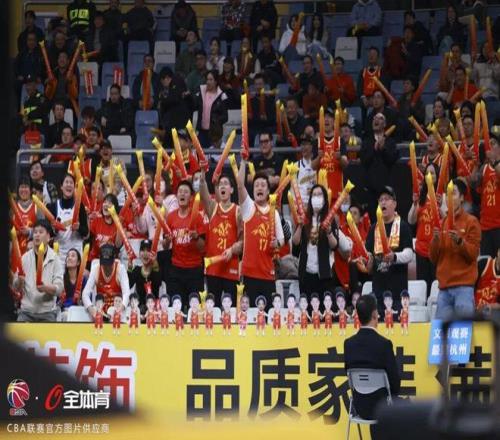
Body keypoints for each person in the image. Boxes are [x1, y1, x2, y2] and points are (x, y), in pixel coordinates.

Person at [344, 294, 400, 440]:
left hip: (360, 407)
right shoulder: (384, 344)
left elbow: (348, 375)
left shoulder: (348, 344)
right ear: (375, 314)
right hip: (382, 408)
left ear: (357, 315)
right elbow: (395, 385)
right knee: (405, 406)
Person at [430, 179, 481, 319]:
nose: (449, 197)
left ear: (462, 197)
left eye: (453, 193)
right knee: (442, 332)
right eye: (447, 194)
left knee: (463, 330)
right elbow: (433, 258)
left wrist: (460, 242)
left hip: (464, 288)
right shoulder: (441, 223)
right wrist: (435, 240)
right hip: (444, 290)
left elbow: (473, 254)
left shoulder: (471, 222)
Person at [237, 160, 284, 304]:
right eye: (256, 185)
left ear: (268, 191)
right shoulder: (249, 207)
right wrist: (243, 162)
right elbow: (240, 185)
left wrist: (277, 243)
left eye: (263, 185)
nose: (259, 188)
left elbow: (282, 239)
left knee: (269, 313)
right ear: (253, 190)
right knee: (249, 314)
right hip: (249, 273)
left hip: (268, 273)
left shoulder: (274, 212)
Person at [293, 184, 352, 296]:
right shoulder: (304, 218)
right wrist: (300, 226)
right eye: (314, 195)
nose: (316, 197)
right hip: (306, 273)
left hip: (324, 274)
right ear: (310, 199)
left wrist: (329, 232)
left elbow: (334, 246)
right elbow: (295, 243)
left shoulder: (329, 219)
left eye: (319, 195)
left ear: (325, 200)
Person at [365, 186, 413, 317]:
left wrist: (395, 256)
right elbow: (368, 253)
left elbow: (409, 254)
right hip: (378, 292)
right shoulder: (373, 228)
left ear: (395, 204)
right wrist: (367, 260)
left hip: (397, 293)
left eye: (386, 199)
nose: (383, 203)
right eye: (380, 200)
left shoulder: (403, 226)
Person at [199, 171, 242, 302]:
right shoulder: (213, 207)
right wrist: (202, 176)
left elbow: (243, 240)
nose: (222, 186)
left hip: (231, 267)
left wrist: (232, 250)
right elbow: (204, 195)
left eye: (226, 184)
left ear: (232, 190)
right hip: (213, 268)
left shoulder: (238, 211)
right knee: (213, 308)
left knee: (231, 309)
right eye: (220, 184)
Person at [13, 220, 64, 322]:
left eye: (41, 232)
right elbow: (16, 287)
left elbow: (59, 289)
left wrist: (45, 288)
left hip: (47, 312)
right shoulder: (24, 258)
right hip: (26, 312)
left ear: (48, 237)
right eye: (35, 232)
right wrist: (19, 280)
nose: (37, 235)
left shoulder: (55, 259)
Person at [164, 180, 208, 298]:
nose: (182, 194)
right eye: (180, 191)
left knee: (195, 306)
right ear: (176, 195)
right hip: (176, 269)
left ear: (191, 198)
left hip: (194, 269)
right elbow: (165, 246)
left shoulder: (197, 217)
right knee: (175, 304)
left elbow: (203, 247)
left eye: (186, 192)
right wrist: (167, 241)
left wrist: (196, 237)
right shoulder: (170, 217)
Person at [408, 163, 444, 296]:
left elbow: (449, 221)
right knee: (423, 285)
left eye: (432, 173)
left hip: (437, 248)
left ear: (437, 176)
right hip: (421, 249)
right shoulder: (420, 197)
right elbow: (411, 220)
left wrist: (440, 207)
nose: (429, 175)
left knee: (436, 285)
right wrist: (415, 204)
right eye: (427, 173)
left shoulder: (443, 196)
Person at [360, 113, 399, 217]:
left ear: (385, 124)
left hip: (386, 188)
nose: (376, 120)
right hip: (370, 189)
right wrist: (374, 149)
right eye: (374, 118)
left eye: (380, 118)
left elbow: (392, 160)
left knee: (386, 216)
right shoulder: (367, 141)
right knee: (372, 217)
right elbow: (364, 161)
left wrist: (383, 149)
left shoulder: (390, 142)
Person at [46, 173, 89, 265]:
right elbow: (49, 234)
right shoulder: (53, 207)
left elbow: (86, 232)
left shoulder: (80, 206)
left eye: (71, 183)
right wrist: (55, 230)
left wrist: (79, 228)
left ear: (74, 187)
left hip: (76, 251)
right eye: (66, 182)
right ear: (61, 187)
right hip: (60, 252)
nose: (69, 184)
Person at [470, 133, 500, 257]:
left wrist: (494, 161)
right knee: (487, 263)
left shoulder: (495, 165)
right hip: (485, 225)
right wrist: (476, 165)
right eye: (488, 144)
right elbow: (473, 183)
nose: (489, 147)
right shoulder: (484, 168)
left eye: (493, 143)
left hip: (499, 225)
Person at [82, 243, 130, 316]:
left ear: (114, 259)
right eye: (104, 264)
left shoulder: (120, 269)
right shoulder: (96, 269)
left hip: (117, 310)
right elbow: (85, 293)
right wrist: (91, 309)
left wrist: (121, 309)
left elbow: (126, 292)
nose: (106, 267)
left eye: (109, 264)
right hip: (101, 311)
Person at [192, 70, 228, 148]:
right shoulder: (201, 92)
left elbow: (225, 117)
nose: (208, 82)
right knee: (200, 153)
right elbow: (193, 106)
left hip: (214, 133)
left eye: (211, 80)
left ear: (216, 81)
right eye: (207, 79)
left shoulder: (222, 96)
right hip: (202, 132)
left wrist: (215, 121)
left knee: (213, 153)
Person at [320, 107, 349, 201]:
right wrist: (318, 158)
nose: (326, 119)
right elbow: (312, 166)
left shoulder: (341, 141)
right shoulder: (317, 141)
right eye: (324, 117)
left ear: (334, 122)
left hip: (337, 191)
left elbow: (345, 164)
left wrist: (339, 158)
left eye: (329, 117)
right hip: (321, 192)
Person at [127, 240, 162, 306]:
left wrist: (155, 262)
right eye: (142, 250)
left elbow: (157, 282)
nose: (145, 253)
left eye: (148, 250)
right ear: (139, 253)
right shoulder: (137, 270)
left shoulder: (156, 270)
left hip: (154, 309)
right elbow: (128, 285)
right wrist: (129, 268)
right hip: (139, 308)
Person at [88, 193, 122, 262]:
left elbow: (118, 245)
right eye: (105, 202)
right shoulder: (96, 221)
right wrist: (87, 218)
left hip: (111, 261)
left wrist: (119, 225)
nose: (106, 204)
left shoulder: (118, 224)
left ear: (115, 208)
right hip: (95, 259)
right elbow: (87, 237)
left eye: (109, 203)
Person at [157, 66, 190, 133]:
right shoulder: (164, 88)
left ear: (167, 78)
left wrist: (164, 99)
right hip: (171, 122)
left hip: (180, 120)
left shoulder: (178, 82)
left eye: (162, 80)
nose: (162, 83)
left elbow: (174, 98)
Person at [14, 33, 44, 98]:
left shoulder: (41, 54)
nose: (31, 42)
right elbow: (16, 66)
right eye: (30, 40)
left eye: (33, 40)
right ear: (27, 41)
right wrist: (18, 75)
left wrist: (38, 77)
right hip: (24, 80)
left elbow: (42, 69)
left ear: (36, 42)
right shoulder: (22, 53)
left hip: (36, 81)